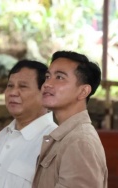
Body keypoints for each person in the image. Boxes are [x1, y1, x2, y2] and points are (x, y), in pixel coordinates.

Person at [32, 51, 108, 187]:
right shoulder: (65, 136)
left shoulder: (80, 142)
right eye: (47, 76)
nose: (47, 84)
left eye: (60, 77)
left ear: (83, 91)